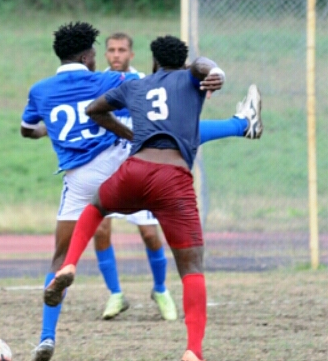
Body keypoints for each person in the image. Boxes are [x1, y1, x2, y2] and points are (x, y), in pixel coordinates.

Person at [19, 22, 226, 361]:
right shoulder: (110, 80)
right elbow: (170, 109)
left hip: (80, 178)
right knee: (159, 238)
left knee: (63, 251)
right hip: (128, 163)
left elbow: (28, 130)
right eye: (100, 53)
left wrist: (50, 126)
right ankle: (163, 296)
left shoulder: (40, 90)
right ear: (87, 56)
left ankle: (47, 336)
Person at [92, 33, 263, 322]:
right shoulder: (99, 81)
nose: (116, 54)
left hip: (148, 162)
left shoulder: (142, 80)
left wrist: (204, 81)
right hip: (119, 163)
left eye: (122, 49)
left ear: (133, 55)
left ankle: (160, 290)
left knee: (149, 233)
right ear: (104, 54)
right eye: (111, 50)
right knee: (100, 228)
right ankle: (115, 294)